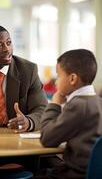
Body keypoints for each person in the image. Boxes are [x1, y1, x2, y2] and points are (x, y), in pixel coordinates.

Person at [35, 49, 102, 179]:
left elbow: (47, 139)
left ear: (72, 79)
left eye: (59, 76)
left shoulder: (78, 105)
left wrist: (54, 104)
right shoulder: (98, 102)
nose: (56, 82)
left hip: (75, 174)